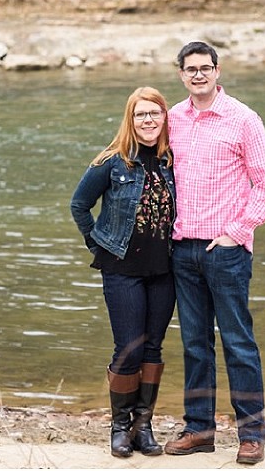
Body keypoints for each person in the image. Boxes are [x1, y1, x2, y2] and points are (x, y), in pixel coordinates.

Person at [162, 41, 265, 465]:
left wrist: (238, 231)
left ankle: (252, 434)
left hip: (226, 250)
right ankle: (199, 429)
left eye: (205, 68)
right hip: (182, 250)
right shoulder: (172, 119)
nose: (198, 75)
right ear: (181, 74)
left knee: (238, 342)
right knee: (195, 343)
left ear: (217, 71)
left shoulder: (244, 119)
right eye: (190, 69)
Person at [70, 86, 176, 459]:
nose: (148, 120)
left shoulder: (172, 160)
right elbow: (79, 205)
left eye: (155, 113)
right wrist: (97, 244)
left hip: (165, 270)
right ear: (130, 120)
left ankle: (142, 427)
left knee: (152, 348)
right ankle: (118, 428)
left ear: (165, 118)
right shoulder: (112, 161)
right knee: (128, 348)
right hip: (121, 269)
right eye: (140, 114)